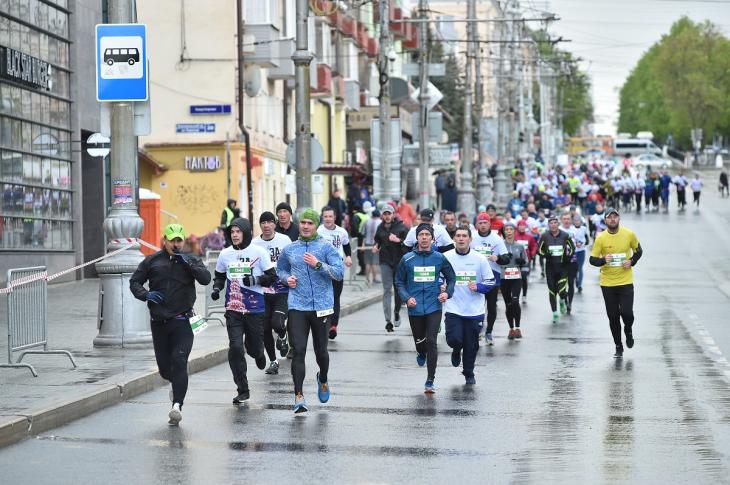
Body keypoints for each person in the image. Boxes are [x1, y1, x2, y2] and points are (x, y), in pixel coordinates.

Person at [129, 223, 211, 425]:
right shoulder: (152, 261)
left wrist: (189, 264)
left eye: (179, 240)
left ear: (183, 241)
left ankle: (177, 406)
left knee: (179, 360)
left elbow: (206, 279)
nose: (176, 244)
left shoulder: (191, 259)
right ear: (164, 240)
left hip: (183, 320)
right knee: (166, 370)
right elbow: (134, 282)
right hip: (159, 322)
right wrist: (145, 294)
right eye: (172, 240)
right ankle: (176, 386)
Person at [276, 208, 344, 413]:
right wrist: (286, 279)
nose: (305, 226)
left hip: (322, 307)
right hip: (297, 305)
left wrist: (318, 264)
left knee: (321, 351)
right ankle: (299, 396)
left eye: (310, 223)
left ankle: (322, 378)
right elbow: (281, 269)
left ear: (316, 226)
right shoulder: (290, 249)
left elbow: (339, 273)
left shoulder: (326, 247)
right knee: (298, 351)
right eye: (303, 223)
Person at [211, 218, 278, 404]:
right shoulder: (225, 254)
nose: (234, 235)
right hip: (233, 309)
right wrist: (216, 288)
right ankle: (243, 389)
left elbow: (272, 277)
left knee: (253, 348)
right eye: (232, 232)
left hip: (254, 309)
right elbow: (219, 276)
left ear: (246, 233)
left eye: (238, 231)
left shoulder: (259, 252)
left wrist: (256, 280)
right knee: (235, 348)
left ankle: (259, 353)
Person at [395, 223, 456, 393]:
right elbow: (399, 281)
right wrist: (407, 298)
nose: (424, 237)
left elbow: (452, 278)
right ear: (416, 238)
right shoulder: (407, 259)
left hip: (433, 305)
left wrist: (447, 293)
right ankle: (420, 352)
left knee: (431, 341)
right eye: (421, 234)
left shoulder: (439, 258)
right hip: (414, 307)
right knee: (420, 342)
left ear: (432, 238)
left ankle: (430, 380)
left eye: (427, 235)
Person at [443, 226, 495, 385]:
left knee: (471, 345)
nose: (461, 238)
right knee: (454, 339)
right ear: (454, 239)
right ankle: (456, 349)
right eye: (458, 236)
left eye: (464, 236)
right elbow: (438, 277)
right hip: (453, 307)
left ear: (470, 239)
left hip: (474, 310)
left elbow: (490, 281)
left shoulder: (479, 259)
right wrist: (441, 286)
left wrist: (478, 287)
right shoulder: (446, 257)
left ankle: (469, 373)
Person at [589, 208, 643, 358]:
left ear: (619, 219)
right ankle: (618, 346)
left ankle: (628, 330)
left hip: (625, 281)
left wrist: (631, 261)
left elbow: (639, 251)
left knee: (627, 313)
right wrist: (602, 260)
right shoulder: (601, 238)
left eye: (615, 217)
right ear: (605, 220)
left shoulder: (629, 234)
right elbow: (592, 260)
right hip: (607, 284)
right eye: (609, 217)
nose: (613, 219)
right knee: (613, 317)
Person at [252, 211, 293, 375]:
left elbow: (293, 261)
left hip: (282, 290)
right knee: (265, 329)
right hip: (262, 292)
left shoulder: (285, 240)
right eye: (263, 222)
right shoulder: (255, 243)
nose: (266, 225)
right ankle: (273, 361)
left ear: (275, 224)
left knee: (277, 323)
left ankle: (283, 336)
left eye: (269, 222)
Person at [470, 212, 510, 345]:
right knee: (477, 305)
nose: (483, 225)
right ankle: (477, 331)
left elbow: (506, 258)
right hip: (476, 276)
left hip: (493, 276)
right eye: (480, 223)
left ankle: (489, 332)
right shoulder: (472, 237)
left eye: (485, 223)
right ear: (477, 224)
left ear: (489, 224)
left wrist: (497, 258)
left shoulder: (496, 239)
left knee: (491, 306)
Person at [317, 206, 353, 339]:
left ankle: (333, 326)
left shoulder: (341, 232)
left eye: (330, 216)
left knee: (335, 297)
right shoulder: (318, 231)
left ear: (334, 218)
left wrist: (348, 257)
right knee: (324, 296)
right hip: (322, 268)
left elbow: (346, 245)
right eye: (325, 216)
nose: (328, 219)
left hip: (337, 267)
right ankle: (324, 323)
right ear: (322, 217)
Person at [373, 204, 409, 332]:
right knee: (387, 289)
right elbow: (378, 240)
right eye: (385, 214)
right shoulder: (380, 227)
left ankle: (397, 312)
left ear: (393, 214)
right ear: (382, 216)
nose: (387, 216)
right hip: (385, 261)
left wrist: (398, 240)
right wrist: (376, 246)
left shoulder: (402, 227)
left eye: (389, 213)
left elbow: (408, 244)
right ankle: (388, 320)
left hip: (399, 262)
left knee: (398, 289)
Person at [537, 214, 575, 324]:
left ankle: (562, 301)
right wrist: (545, 255)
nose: (553, 225)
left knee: (562, 290)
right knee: (552, 291)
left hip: (563, 267)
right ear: (548, 225)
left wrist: (568, 257)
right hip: (550, 267)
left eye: (555, 223)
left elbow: (572, 247)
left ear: (558, 224)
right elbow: (539, 250)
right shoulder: (545, 236)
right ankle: (554, 313)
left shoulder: (565, 235)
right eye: (551, 223)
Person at [500, 222, 528, 339]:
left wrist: (521, 261)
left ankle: (518, 328)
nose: (509, 231)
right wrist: (502, 259)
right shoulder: (500, 245)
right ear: (504, 232)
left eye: (511, 229)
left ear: (514, 231)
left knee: (515, 301)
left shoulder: (519, 246)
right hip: (504, 277)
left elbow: (526, 259)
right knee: (508, 304)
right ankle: (511, 329)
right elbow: (496, 260)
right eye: (507, 229)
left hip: (516, 276)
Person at [514, 220, 537, 303]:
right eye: (520, 225)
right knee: (515, 278)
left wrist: (532, 254)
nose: (522, 227)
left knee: (523, 277)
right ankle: (515, 295)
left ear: (526, 227)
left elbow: (534, 246)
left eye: (523, 225)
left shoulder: (530, 237)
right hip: (515, 261)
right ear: (517, 227)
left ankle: (524, 295)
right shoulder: (514, 236)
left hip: (526, 261)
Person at [570, 214, 590, 294]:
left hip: (581, 251)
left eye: (578, 221)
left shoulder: (584, 229)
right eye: (575, 221)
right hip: (573, 251)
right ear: (573, 221)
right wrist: (575, 244)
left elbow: (587, 241)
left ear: (581, 222)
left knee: (580, 267)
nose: (577, 222)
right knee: (574, 268)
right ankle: (576, 280)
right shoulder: (571, 229)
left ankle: (579, 285)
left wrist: (581, 244)